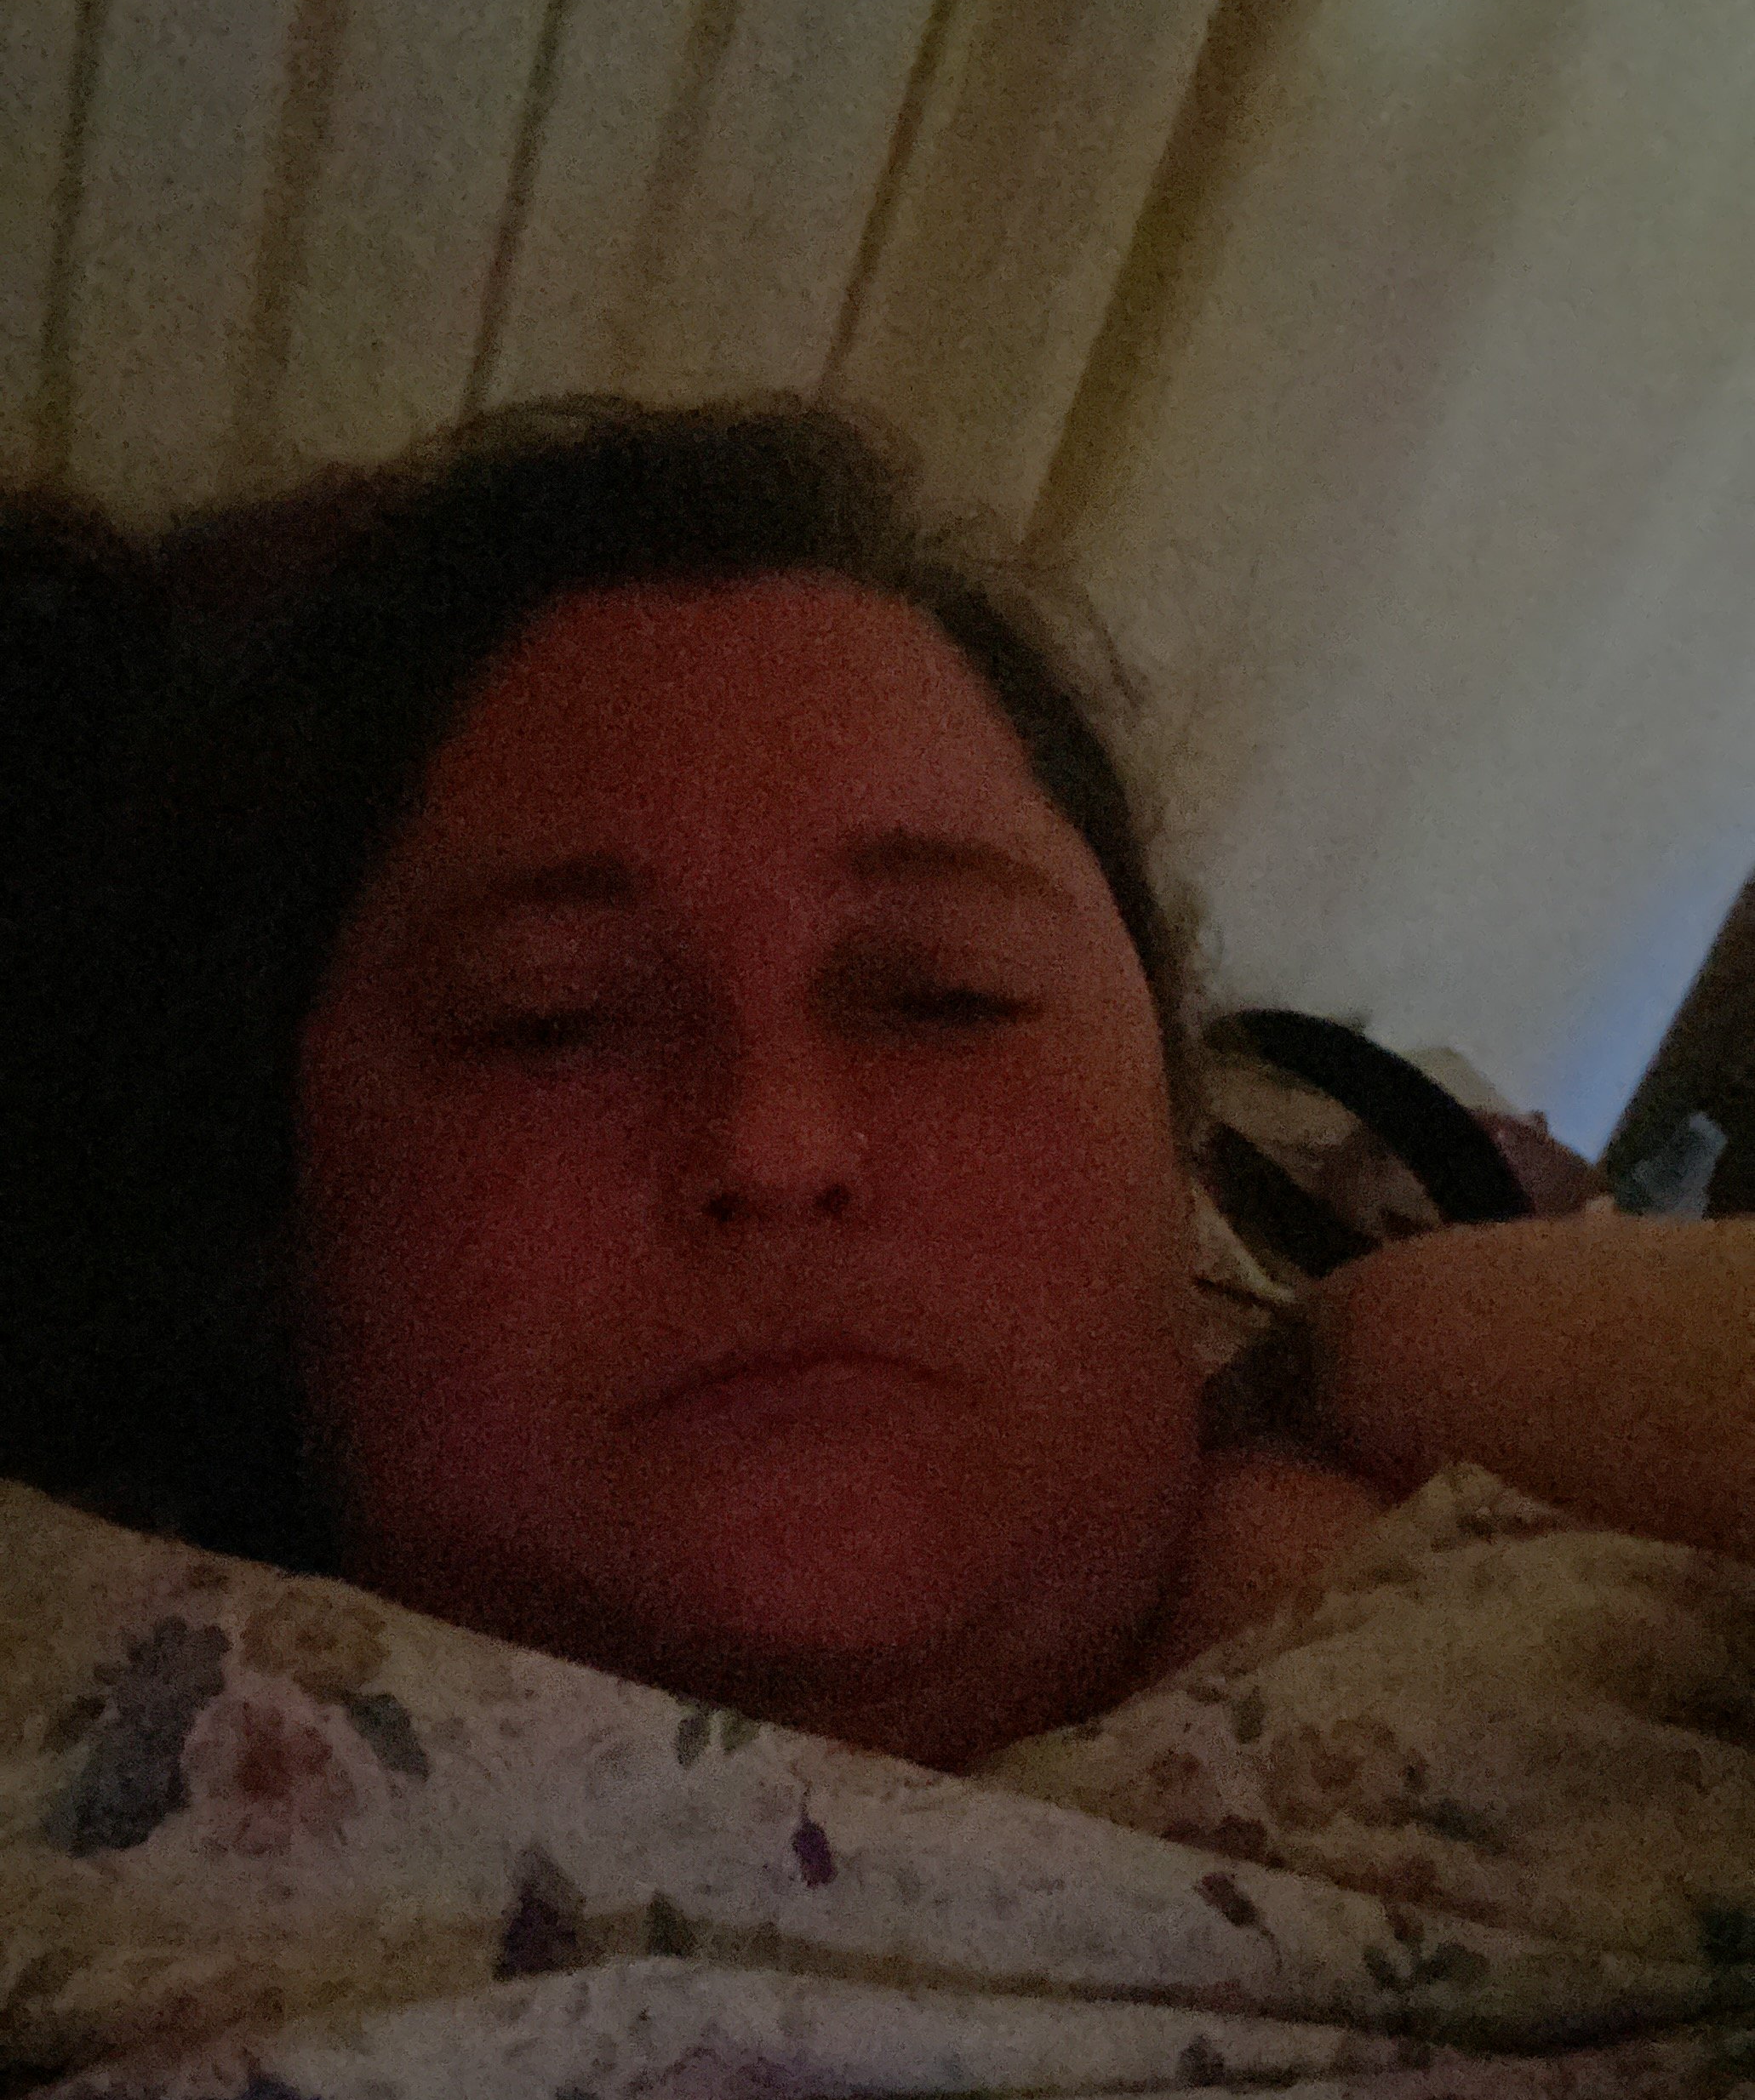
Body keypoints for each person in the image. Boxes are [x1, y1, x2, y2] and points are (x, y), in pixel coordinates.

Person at [3, 396, 1751, 1777]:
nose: (776, 1143)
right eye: (551, 1023)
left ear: (1174, 1141)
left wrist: (1410, 1341)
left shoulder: (1533, 1491)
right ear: (267, 1239)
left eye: (947, 997)